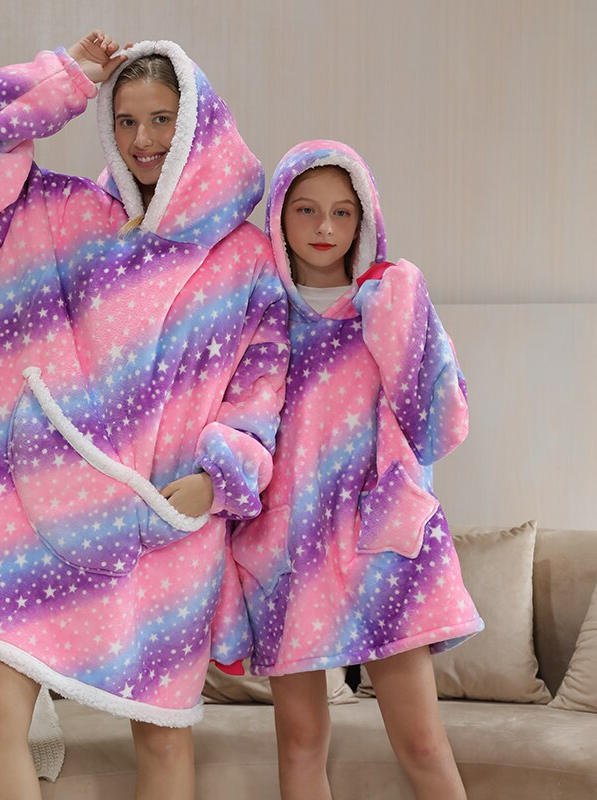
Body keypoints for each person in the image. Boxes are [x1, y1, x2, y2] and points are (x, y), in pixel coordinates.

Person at [0, 31, 288, 800]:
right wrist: (69, 78)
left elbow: (262, 394)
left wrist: (219, 475)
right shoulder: (69, 218)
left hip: (163, 520)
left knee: (159, 736)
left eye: (161, 119)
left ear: (197, 123)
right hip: (43, 509)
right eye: (126, 120)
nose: (143, 139)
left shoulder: (246, 258)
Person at [230, 140, 484, 800]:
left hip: (382, 544)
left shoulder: (391, 296)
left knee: (423, 742)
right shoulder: (258, 312)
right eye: (306, 210)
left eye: (342, 212)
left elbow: (439, 427)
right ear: (278, 215)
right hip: (289, 549)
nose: (324, 227)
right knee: (300, 742)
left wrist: (397, 314)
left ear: (364, 218)